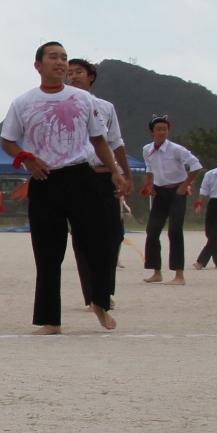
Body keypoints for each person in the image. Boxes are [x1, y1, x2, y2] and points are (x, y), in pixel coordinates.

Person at [0, 43, 125, 334]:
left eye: (64, 58)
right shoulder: (22, 102)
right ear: (38, 65)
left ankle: (99, 302)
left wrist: (116, 172)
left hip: (82, 177)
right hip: (44, 180)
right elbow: (8, 140)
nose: (61, 63)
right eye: (53, 57)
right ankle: (50, 320)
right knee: (47, 252)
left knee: (99, 244)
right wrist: (27, 159)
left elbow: (99, 140)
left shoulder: (83, 99)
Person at [65, 58, 133, 310]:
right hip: (79, 174)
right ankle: (93, 295)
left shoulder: (105, 107)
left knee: (113, 235)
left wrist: (125, 174)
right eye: (69, 73)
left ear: (90, 76)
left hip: (106, 176)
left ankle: (105, 291)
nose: (73, 77)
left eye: (78, 72)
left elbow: (116, 142)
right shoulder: (63, 106)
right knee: (82, 236)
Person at [139, 116, 202, 285]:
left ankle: (179, 275)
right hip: (160, 192)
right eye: (158, 129)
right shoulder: (147, 149)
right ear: (152, 131)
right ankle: (156, 271)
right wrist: (150, 183)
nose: (161, 132)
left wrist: (185, 185)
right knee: (152, 231)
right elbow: (149, 167)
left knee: (174, 231)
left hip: (177, 192)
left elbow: (196, 166)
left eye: (164, 129)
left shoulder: (176, 149)